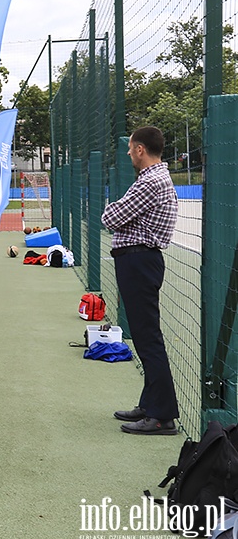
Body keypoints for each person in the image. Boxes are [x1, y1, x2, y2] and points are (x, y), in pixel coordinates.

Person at [102, 126, 179, 436]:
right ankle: (150, 404)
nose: (129, 153)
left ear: (140, 149)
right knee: (145, 336)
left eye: (131, 148)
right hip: (138, 260)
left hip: (139, 260)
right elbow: (118, 215)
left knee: (148, 339)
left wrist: (116, 211)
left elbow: (111, 217)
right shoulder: (154, 179)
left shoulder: (150, 181)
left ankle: (162, 416)